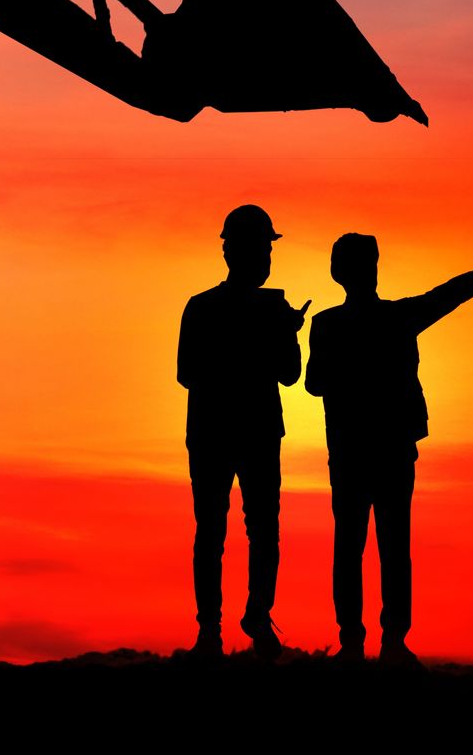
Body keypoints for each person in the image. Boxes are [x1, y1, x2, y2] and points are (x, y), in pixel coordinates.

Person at [305, 235, 473, 667]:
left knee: (358, 546)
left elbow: (314, 383)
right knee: (386, 547)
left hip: (360, 451)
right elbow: (448, 295)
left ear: (339, 274)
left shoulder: (329, 324)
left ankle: (364, 643)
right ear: (365, 271)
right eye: (367, 263)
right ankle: (381, 642)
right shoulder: (389, 318)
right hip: (377, 451)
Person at [177, 204, 310, 659]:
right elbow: (190, 372)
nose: (266, 259)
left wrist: (288, 331)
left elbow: (290, 374)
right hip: (238, 432)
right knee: (236, 531)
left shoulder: (210, 307)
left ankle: (232, 625)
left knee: (229, 532)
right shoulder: (216, 308)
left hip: (234, 432)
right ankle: (222, 628)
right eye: (261, 248)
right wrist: (277, 334)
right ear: (237, 253)